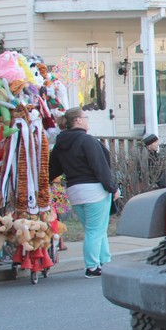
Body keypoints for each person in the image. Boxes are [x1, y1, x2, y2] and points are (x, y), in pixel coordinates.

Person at [49, 107, 120, 278]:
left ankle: (105, 262)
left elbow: (52, 169)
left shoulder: (60, 144)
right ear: (78, 120)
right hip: (94, 190)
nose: (87, 120)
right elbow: (100, 167)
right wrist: (112, 188)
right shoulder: (87, 140)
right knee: (95, 230)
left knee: (97, 229)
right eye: (85, 117)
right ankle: (92, 266)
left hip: (74, 191)